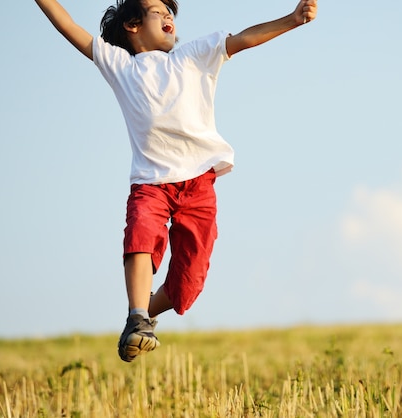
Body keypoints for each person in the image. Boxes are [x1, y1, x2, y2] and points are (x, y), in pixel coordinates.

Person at [35, 0, 317, 362]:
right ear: (132, 26)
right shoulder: (119, 65)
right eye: (157, 9)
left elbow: (244, 39)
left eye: (171, 12)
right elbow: (68, 25)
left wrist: (292, 20)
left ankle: (144, 314)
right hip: (150, 185)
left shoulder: (192, 56)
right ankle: (137, 315)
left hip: (198, 185)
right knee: (140, 232)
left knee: (187, 285)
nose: (169, 15)